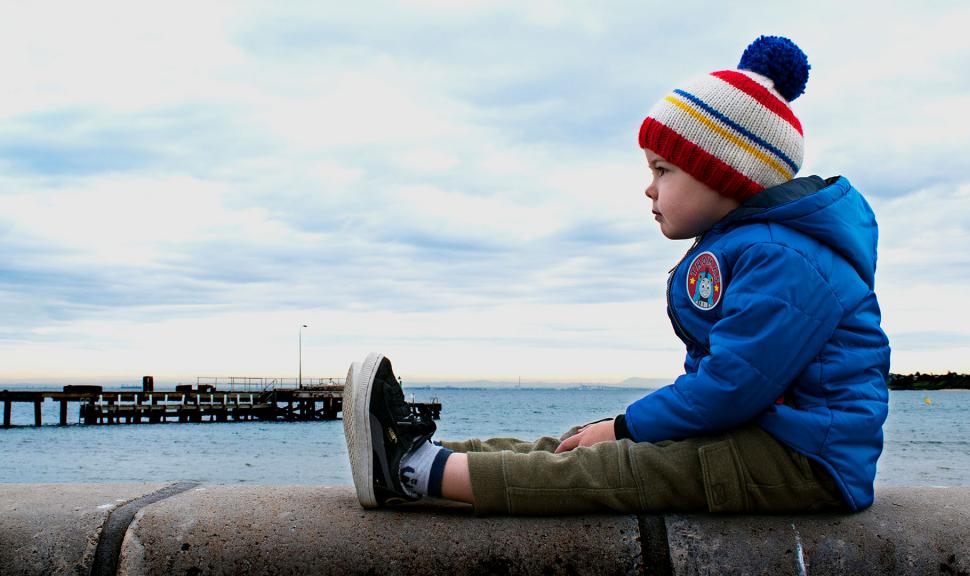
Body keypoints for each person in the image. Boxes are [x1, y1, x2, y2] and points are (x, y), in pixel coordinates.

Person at [342, 35, 890, 515]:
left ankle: (416, 476)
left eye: (663, 170)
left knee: (609, 468)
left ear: (725, 175)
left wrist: (626, 427)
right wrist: (618, 429)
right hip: (768, 439)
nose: (649, 188)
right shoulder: (759, 247)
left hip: (807, 462)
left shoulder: (787, 259)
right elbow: (729, 388)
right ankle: (423, 453)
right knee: (581, 443)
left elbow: (731, 387)